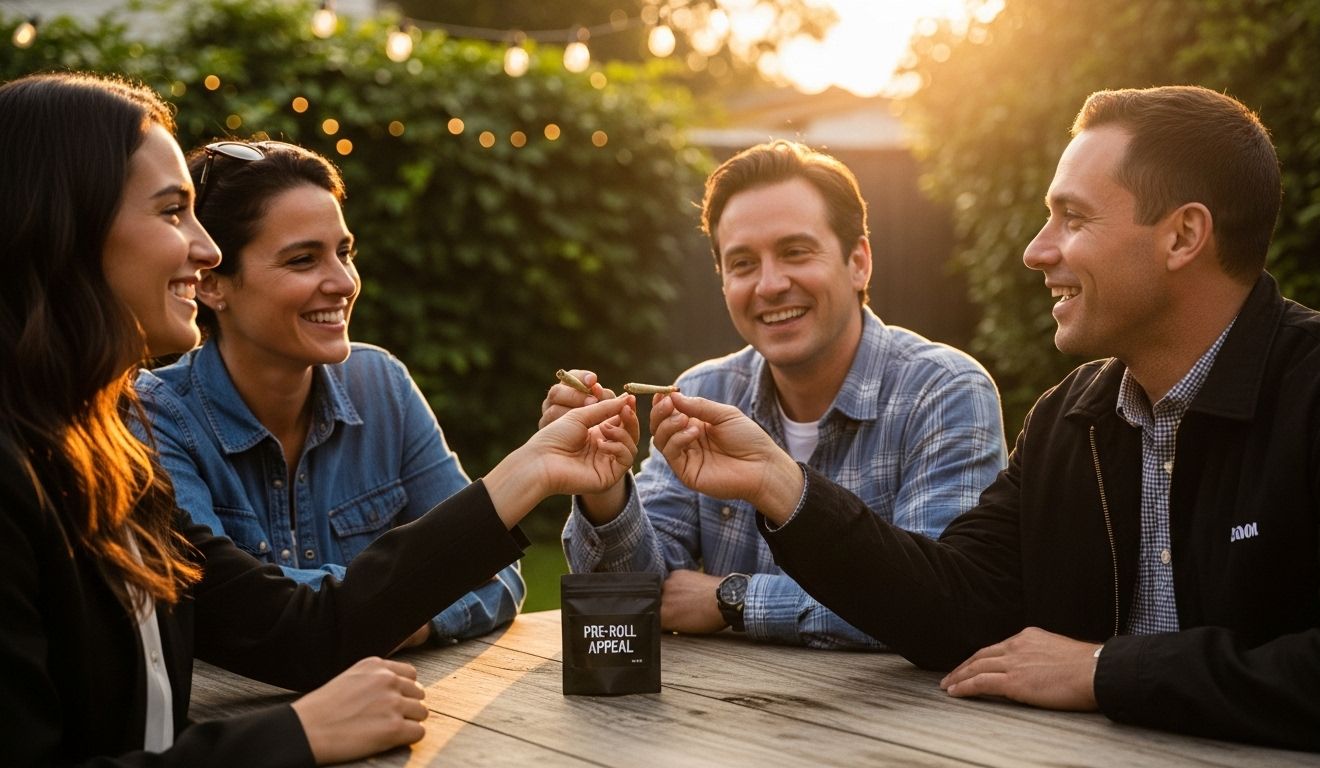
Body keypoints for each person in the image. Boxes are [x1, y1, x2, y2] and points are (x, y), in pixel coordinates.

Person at [644, 86, 1320, 756]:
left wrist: (1106, 670)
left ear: (1183, 236)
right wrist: (784, 487)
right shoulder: (1070, 418)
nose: (1036, 251)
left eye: (1071, 218)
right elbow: (953, 604)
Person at [0, 71, 639, 766]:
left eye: (343, 252)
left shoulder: (109, 454)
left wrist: (533, 468)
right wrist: (294, 735)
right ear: (61, 225)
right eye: (171, 212)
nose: (203, 246)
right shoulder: (45, 464)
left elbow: (306, 631)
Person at [546, 140, 1006, 648]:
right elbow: (632, 600)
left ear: (859, 262)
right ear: (723, 282)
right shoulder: (702, 391)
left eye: (795, 252)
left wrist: (733, 599)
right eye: (743, 263)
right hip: (723, 718)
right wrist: (604, 491)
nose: (769, 284)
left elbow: (941, 607)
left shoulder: (942, 392)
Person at [135, 140, 521, 649]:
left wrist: (386, 620)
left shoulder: (381, 384)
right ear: (212, 284)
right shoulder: (157, 413)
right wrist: (391, 605)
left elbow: (497, 573)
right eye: (302, 260)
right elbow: (220, 608)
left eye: (344, 252)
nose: (343, 282)